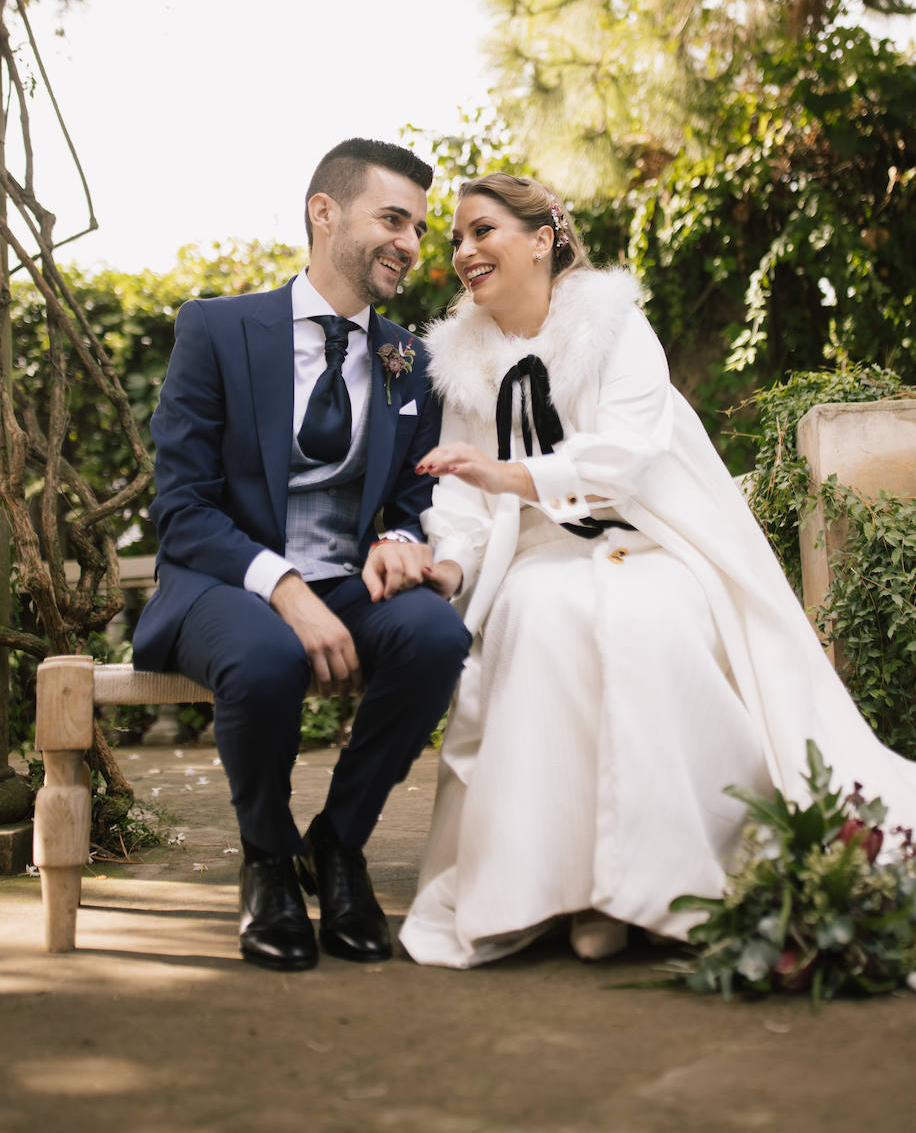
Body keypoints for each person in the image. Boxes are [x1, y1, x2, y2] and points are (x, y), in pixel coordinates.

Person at [398, 172, 916, 969]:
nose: (464, 251)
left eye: (483, 230)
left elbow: (630, 453)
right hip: (543, 554)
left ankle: (659, 890)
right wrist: (449, 569)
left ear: (543, 238)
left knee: (653, 622)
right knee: (540, 619)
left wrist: (517, 476)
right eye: (457, 238)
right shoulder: (461, 363)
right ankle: (564, 894)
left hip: (657, 541)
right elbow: (462, 502)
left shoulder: (614, 325)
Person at [133, 138, 470, 972]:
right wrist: (282, 587)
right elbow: (181, 508)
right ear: (325, 212)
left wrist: (399, 537)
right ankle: (268, 858)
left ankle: (340, 843)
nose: (412, 245)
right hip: (226, 583)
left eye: (420, 229)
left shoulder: (412, 360)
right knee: (262, 657)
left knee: (437, 638)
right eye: (393, 219)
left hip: (349, 584)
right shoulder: (214, 329)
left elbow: (420, 492)